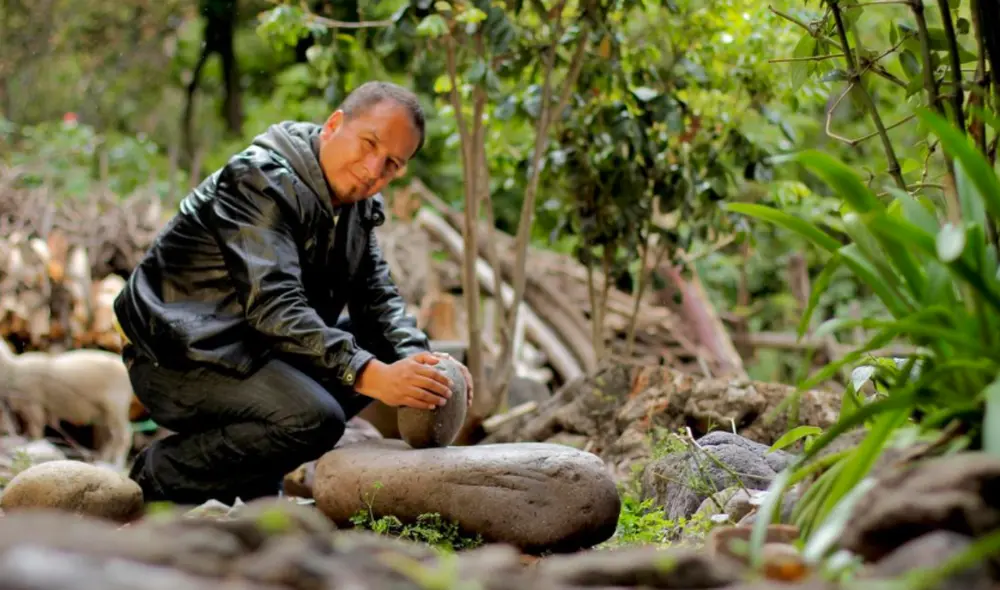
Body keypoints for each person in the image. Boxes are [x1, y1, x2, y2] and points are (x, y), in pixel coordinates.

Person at [113, 81, 474, 506]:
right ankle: (159, 474)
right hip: (178, 354)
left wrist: (423, 361)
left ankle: (254, 479)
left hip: (256, 348)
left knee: (382, 343)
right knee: (315, 419)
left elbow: (378, 299)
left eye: (392, 164)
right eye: (368, 144)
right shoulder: (257, 181)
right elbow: (274, 307)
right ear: (334, 124)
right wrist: (372, 375)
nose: (374, 169)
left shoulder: (355, 207)